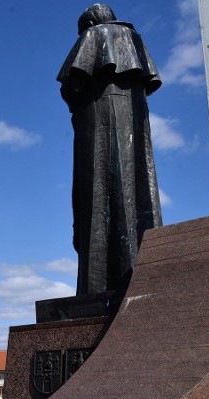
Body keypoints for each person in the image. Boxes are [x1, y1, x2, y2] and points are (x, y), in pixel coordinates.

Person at [57, 3, 163, 296]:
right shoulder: (135, 41)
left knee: (97, 191)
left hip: (97, 121)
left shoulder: (94, 35)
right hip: (133, 126)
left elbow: (71, 85)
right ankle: (141, 282)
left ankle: (96, 288)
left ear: (89, 22)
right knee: (137, 189)